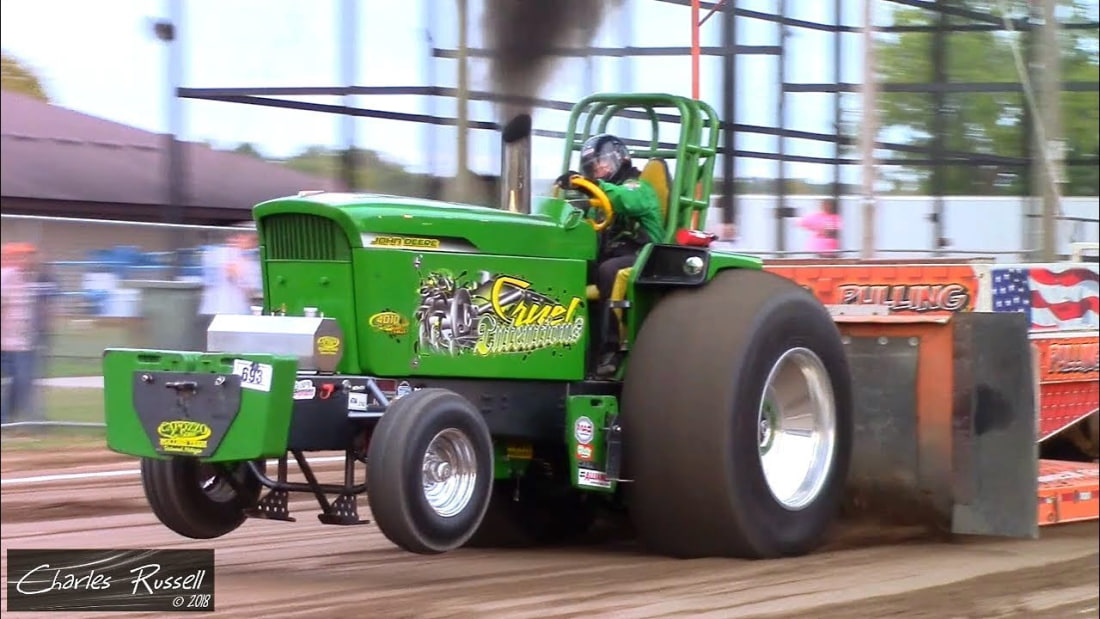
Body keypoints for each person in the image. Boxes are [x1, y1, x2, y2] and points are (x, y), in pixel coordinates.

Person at [554, 133, 664, 375]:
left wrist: (592, 186)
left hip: (646, 256)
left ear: (618, 158)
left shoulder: (637, 188)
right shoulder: (599, 199)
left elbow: (626, 201)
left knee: (609, 271)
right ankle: (564, 345)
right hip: (614, 254)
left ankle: (610, 350)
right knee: (570, 270)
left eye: (602, 162)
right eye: (592, 167)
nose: (598, 169)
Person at [1, 243, 36, 425]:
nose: (29, 260)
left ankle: (6, 419)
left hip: (20, 342)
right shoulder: (7, 276)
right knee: (18, 381)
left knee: (20, 382)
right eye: (25, 256)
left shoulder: (25, 278)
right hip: (6, 341)